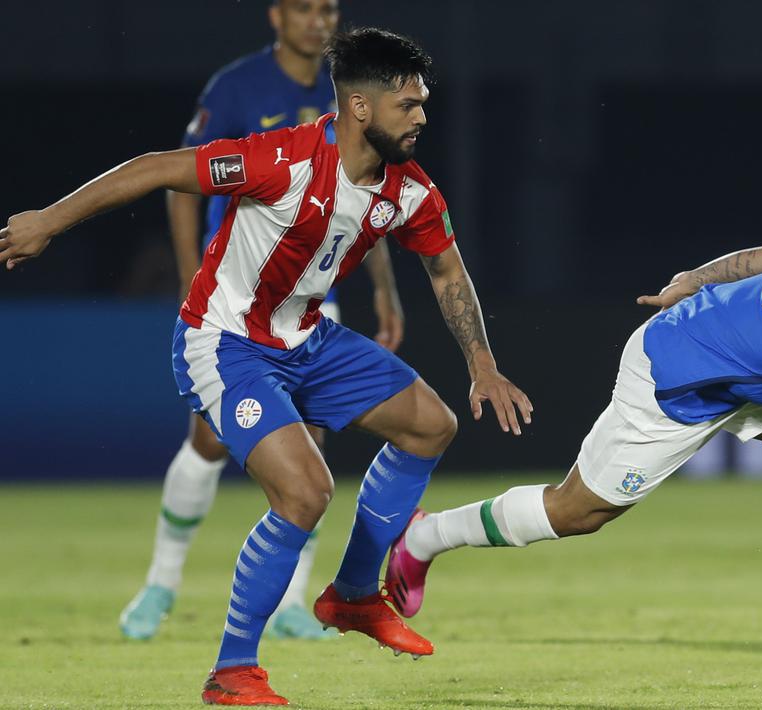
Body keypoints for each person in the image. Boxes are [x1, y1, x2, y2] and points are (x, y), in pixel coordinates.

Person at [0, 27, 532, 706]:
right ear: (362, 108)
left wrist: (482, 365)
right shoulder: (281, 159)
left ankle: (352, 595)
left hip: (305, 339)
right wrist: (48, 220)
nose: (423, 117)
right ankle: (231, 671)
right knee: (306, 493)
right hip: (223, 343)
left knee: (430, 425)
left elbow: (446, 270)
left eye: (423, 103)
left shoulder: (410, 190)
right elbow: (157, 167)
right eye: (410, 105)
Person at [383, 244, 762, 704]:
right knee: (577, 512)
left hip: (727, 361)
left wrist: (696, 279)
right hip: (675, 375)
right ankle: (423, 538)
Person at [120, 0, 407, 644]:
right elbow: (178, 179)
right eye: (304, 9)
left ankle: (292, 603)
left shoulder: (353, 97)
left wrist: (385, 291)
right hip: (239, 295)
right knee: (209, 441)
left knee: (311, 446)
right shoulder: (237, 87)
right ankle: (161, 582)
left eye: (327, 9)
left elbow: (367, 194)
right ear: (277, 16)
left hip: (311, 300)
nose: (318, 21)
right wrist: (193, 275)